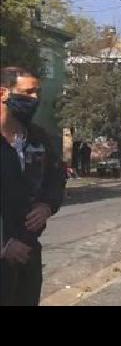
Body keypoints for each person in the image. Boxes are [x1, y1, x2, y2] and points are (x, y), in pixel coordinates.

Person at [1, 66, 65, 306]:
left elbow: (56, 178)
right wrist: (4, 246)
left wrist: (47, 204)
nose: (35, 99)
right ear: (3, 94)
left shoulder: (38, 138)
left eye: (37, 92)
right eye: (27, 93)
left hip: (28, 256)